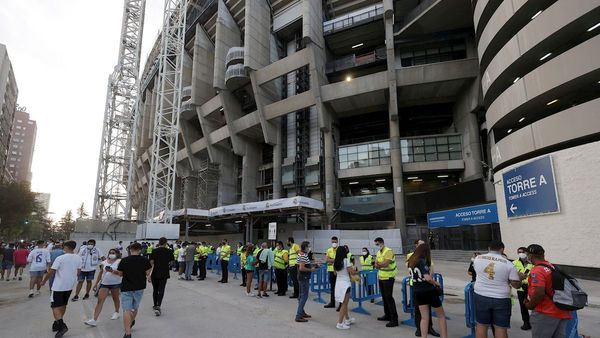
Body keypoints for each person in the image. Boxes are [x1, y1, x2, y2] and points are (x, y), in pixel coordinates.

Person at [473, 241, 523, 338]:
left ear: (489, 248)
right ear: (502, 249)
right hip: (501, 298)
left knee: (481, 325)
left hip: (481, 295)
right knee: (500, 328)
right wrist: (520, 278)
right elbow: (516, 285)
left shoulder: (478, 259)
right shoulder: (509, 264)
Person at [524, 244, 572, 338]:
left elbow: (539, 293)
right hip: (561, 310)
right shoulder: (552, 267)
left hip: (545, 313)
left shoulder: (537, 270)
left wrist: (529, 305)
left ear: (530, 256)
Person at [407, 244, 448, 338]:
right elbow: (427, 278)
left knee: (424, 318)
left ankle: (423, 336)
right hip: (428, 290)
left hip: (417, 290)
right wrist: (436, 283)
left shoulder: (411, 261)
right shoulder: (421, 261)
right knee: (441, 315)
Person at [41, 240, 80, 337]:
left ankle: (62, 325)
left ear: (65, 247)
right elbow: (78, 272)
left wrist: (44, 281)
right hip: (70, 285)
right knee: (63, 304)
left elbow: (51, 271)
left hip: (59, 286)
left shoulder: (60, 258)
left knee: (54, 306)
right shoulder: (78, 258)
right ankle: (57, 323)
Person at [112, 242, 152, 338]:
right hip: (139, 287)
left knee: (126, 309)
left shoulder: (124, 260)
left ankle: (128, 333)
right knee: (135, 307)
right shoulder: (144, 260)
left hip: (126, 287)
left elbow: (120, 274)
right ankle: (132, 320)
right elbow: (147, 273)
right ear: (140, 250)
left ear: (130, 249)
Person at [84, 248, 122, 326]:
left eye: (113, 253)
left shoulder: (119, 262)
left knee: (115, 298)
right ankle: (94, 319)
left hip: (115, 283)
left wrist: (112, 271)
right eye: (110, 252)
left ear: (117, 254)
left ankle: (117, 312)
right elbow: (101, 273)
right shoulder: (104, 262)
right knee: (100, 300)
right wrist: (96, 284)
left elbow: (121, 273)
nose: (111, 254)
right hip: (104, 284)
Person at [374, 237, 399, 327]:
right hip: (381, 277)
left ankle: (394, 319)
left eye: (377, 244)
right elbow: (376, 265)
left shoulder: (388, 251)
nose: (377, 246)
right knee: (384, 297)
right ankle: (387, 315)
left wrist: (379, 264)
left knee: (389, 297)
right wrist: (379, 264)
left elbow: (386, 263)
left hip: (388, 277)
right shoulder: (378, 252)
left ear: (381, 243)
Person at [333, 245, 357, 330]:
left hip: (338, 284)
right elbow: (352, 272)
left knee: (344, 303)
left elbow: (335, 273)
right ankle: (340, 323)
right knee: (344, 304)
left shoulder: (336, 262)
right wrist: (355, 270)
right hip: (345, 284)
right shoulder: (346, 261)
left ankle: (347, 319)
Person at [149, 237, 173, 316]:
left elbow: (151, 262)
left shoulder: (154, 251)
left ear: (159, 243)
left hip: (155, 272)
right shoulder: (169, 251)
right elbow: (171, 262)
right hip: (164, 273)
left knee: (155, 290)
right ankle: (159, 306)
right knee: (161, 290)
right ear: (166, 243)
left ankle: (155, 305)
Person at [295, 241, 317, 323]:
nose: (309, 248)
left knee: (301, 296)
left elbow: (305, 264)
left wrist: (314, 264)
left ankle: (302, 312)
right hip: (304, 277)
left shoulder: (301, 254)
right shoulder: (303, 255)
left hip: (301, 277)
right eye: (308, 246)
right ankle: (298, 315)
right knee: (304, 296)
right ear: (305, 247)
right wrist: (311, 269)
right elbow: (301, 268)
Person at [512, 247, 533, 330]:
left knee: (535, 304)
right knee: (523, 306)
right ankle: (526, 323)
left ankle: (535, 321)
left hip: (532, 286)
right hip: (521, 287)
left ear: (527, 252)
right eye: (519, 252)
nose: (521, 253)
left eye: (522, 252)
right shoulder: (514, 263)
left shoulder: (532, 263)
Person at [324, 236, 339, 309]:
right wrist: (334, 260)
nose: (334, 243)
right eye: (333, 242)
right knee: (332, 288)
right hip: (330, 271)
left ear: (337, 242)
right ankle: (332, 303)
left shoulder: (340, 250)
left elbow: (340, 260)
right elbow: (326, 260)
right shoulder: (329, 250)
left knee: (339, 288)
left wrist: (331, 260)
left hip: (338, 271)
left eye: (335, 242)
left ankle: (340, 304)